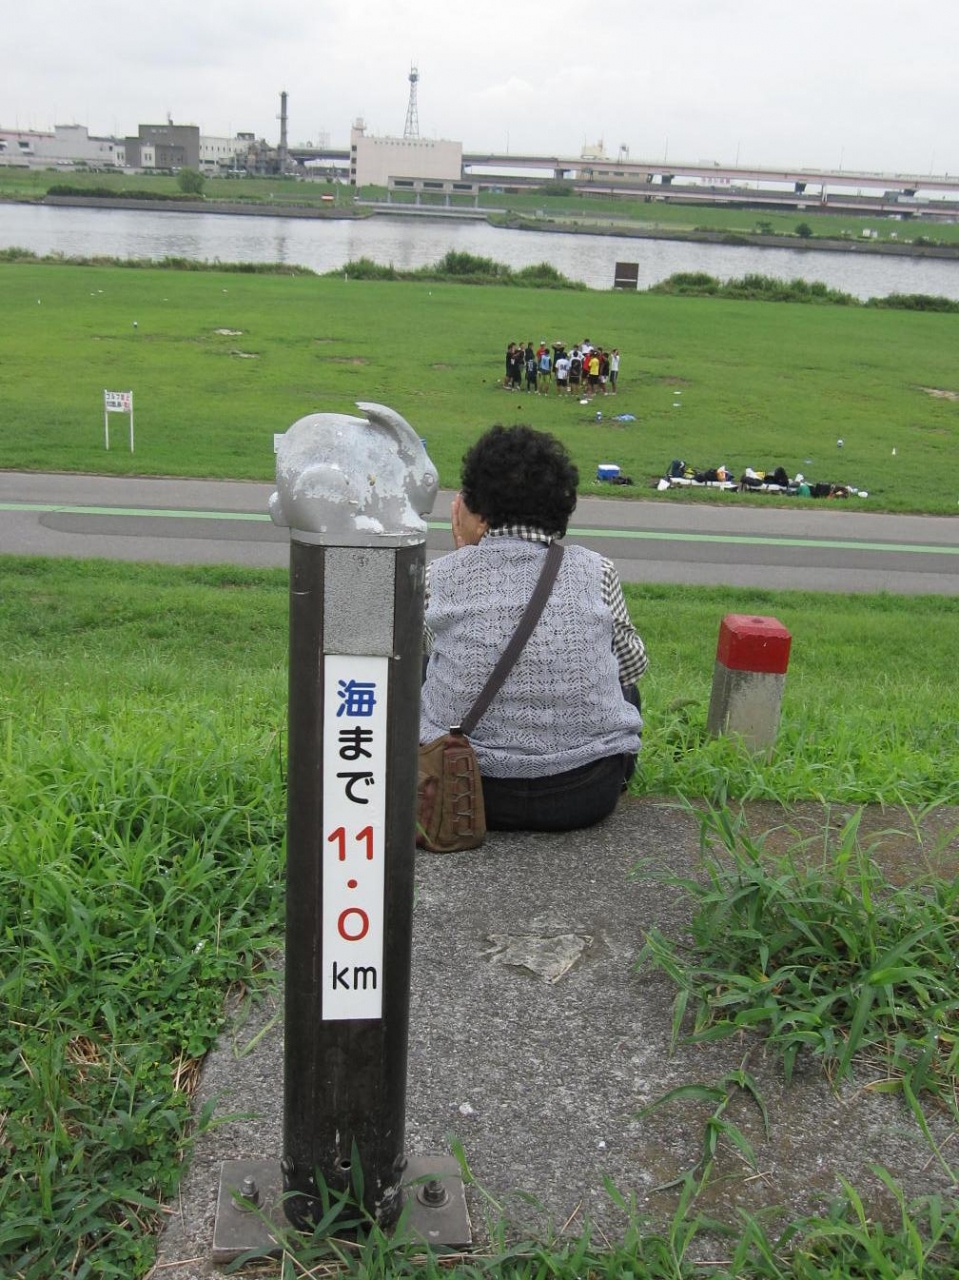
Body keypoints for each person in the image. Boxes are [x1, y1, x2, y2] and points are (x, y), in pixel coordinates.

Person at [421, 424, 647, 832]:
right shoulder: (596, 569)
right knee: (623, 679)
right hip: (587, 791)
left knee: (427, 663)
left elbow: (423, 652)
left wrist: (467, 561)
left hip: (470, 791)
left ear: (478, 509)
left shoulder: (441, 576)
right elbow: (632, 668)